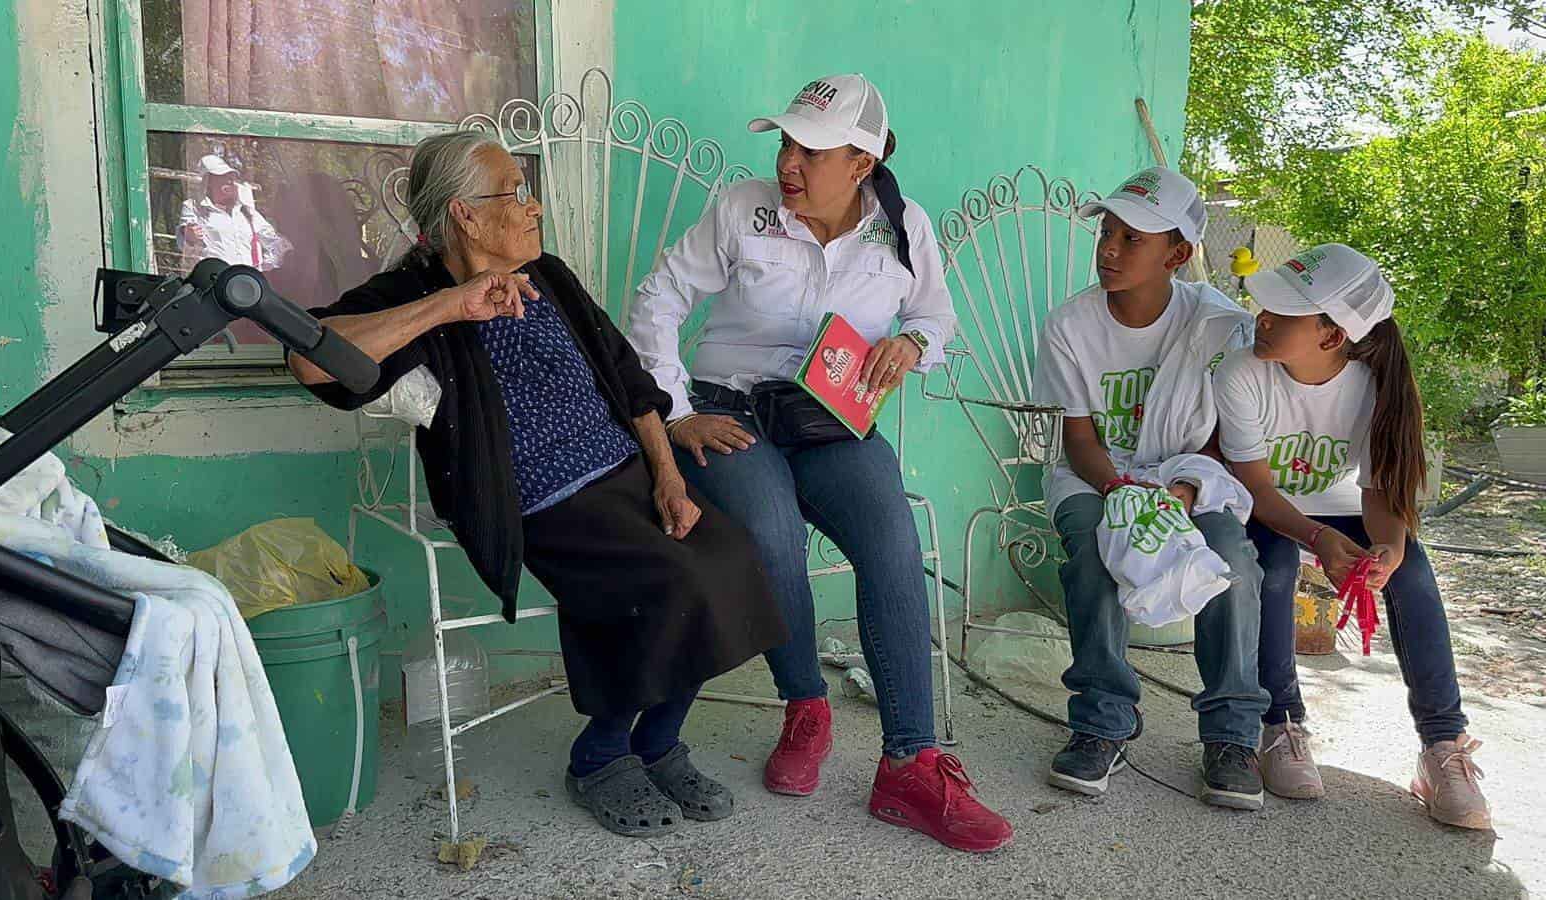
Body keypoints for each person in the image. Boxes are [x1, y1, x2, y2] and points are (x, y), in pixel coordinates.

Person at [289, 131, 788, 839]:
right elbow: (311, 361)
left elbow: (628, 377)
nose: (534, 208)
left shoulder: (548, 275)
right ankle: (600, 755)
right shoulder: (413, 291)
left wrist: (668, 475)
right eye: (515, 195)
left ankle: (656, 742)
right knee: (669, 581)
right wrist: (451, 306)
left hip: (625, 470)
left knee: (736, 558)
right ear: (463, 213)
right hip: (538, 497)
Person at [627, 74, 1012, 853]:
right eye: (785, 143)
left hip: (832, 418)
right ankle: (805, 705)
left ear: (862, 163)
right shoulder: (743, 207)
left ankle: (912, 762)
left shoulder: (904, 227)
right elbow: (659, 299)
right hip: (730, 411)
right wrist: (675, 414)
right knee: (770, 538)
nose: (788, 162)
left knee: (892, 544)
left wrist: (913, 343)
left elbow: (935, 315)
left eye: (810, 149)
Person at [1214, 243, 1492, 829]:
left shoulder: (1375, 385)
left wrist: (1387, 549)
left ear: (1331, 335)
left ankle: (1443, 746)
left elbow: (1380, 496)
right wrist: (1317, 539)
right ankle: (1281, 723)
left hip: (1336, 504)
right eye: (1265, 305)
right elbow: (1260, 494)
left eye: (1282, 313)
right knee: (1274, 569)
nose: (1261, 317)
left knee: (1411, 570)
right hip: (1265, 504)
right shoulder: (1242, 372)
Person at [1033, 166, 1270, 810]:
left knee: (1234, 562)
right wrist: (1121, 491)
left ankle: (1231, 734)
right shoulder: (1069, 327)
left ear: (1178, 253)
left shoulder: (1219, 326)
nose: (1110, 249)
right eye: (1106, 232)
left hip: (1191, 474)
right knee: (1092, 548)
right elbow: (1077, 440)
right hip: (1096, 475)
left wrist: (1183, 495)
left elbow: (1224, 439)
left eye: (1133, 238)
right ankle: (1101, 720)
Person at [177, 154, 290, 271]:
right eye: (222, 176)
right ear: (208, 181)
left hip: (245, 282)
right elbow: (185, 244)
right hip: (214, 281)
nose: (229, 180)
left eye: (231, 176)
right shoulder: (194, 207)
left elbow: (276, 242)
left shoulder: (246, 211)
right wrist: (188, 235)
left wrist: (262, 269)